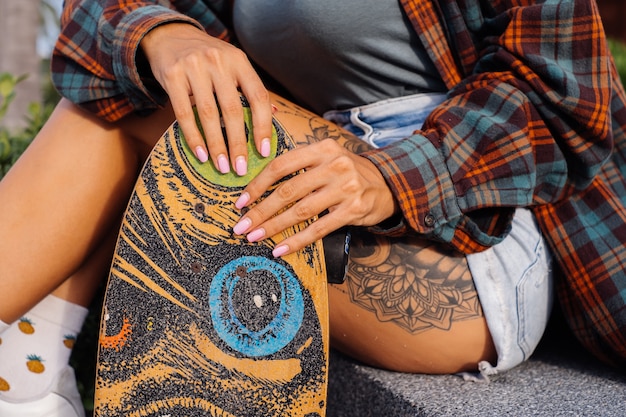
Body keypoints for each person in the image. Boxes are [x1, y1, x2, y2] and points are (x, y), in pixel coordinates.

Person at [1, 0, 625, 415]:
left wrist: (390, 175)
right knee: (134, 86)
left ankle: (25, 381)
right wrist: (166, 36)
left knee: (144, 110)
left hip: (469, 228)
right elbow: (93, 29)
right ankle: (26, 382)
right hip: (303, 175)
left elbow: (566, 97)